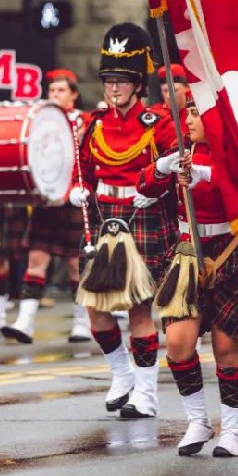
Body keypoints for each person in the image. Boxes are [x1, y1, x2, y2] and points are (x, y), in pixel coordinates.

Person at [139, 94, 238, 457]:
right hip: (188, 253)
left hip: (230, 253)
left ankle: (233, 432)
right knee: (177, 343)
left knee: (225, 349)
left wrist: (206, 174)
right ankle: (198, 421)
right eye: (186, 112)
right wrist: (162, 167)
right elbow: (143, 188)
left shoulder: (235, 151)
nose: (188, 119)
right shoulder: (180, 149)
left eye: (196, 112)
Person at [70, 22, 178, 417]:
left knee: (138, 310)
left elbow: (175, 167)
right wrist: (76, 188)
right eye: (108, 81)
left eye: (121, 81)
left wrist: (157, 186)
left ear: (137, 84)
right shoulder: (95, 124)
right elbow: (83, 167)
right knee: (95, 308)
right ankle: (121, 374)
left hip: (141, 217)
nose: (113, 88)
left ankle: (146, 395)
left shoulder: (158, 122)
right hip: (103, 217)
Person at [5, 68, 91, 343]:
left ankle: (82, 322)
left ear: (74, 95)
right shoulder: (40, 122)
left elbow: (92, 159)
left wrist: (83, 184)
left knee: (75, 266)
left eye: (61, 90)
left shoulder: (86, 122)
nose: (54, 95)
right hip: (47, 201)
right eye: (51, 90)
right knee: (36, 260)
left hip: (74, 200)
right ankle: (25, 322)